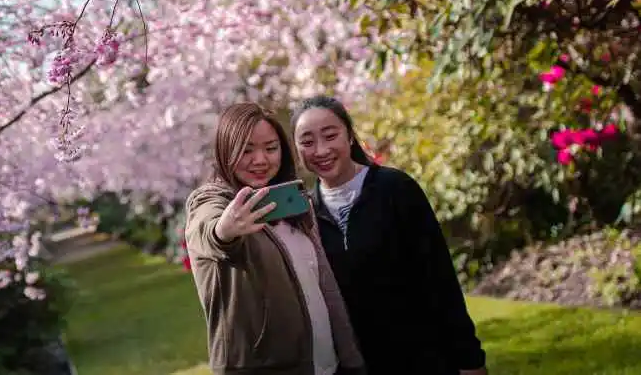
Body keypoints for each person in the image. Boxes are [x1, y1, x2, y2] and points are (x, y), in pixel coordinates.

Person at [291, 95, 488, 375]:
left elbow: (440, 280)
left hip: (423, 359)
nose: (321, 150)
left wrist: (470, 359)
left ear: (349, 136)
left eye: (330, 135)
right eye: (307, 142)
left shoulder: (395, 189)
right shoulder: (305, 214)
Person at [185, 102, 366, 375]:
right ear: (225, 151)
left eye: (270, 148)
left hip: (327, 363)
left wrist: (350, 355)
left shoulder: (290, 202)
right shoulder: (212, 201)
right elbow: (206, 232)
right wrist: (223, 232)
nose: (260, 160)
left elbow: (322, 283)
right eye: (246, 150)